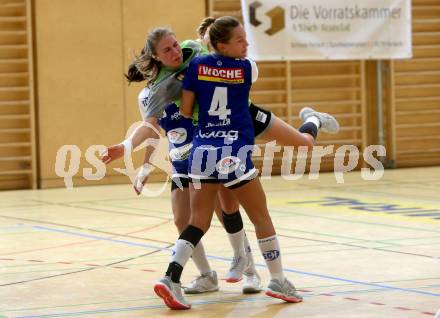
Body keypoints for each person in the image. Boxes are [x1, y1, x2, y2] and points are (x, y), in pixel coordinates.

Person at [153, 16, 305, 310]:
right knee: (260, 216)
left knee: (197, 222)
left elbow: (186, 112)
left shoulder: (196, 67)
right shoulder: (247, 68)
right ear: (222, 44)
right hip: (233, 149)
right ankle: (277, 279)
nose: (246, 45)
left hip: (201, 151)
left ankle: (171, 277)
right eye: (240, 40)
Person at [103, 27, 263, 295]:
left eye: (175, 45)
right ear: (155, 57)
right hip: (181, 160)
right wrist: (139, 161)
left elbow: (215, 52)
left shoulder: (197, 60)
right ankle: (206, 275)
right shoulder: (152, 95)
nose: (175, 52)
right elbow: (153, 131)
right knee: (182, 220)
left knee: (227, 213)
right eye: (167, 50)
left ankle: (251, 271)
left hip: (211, 149)